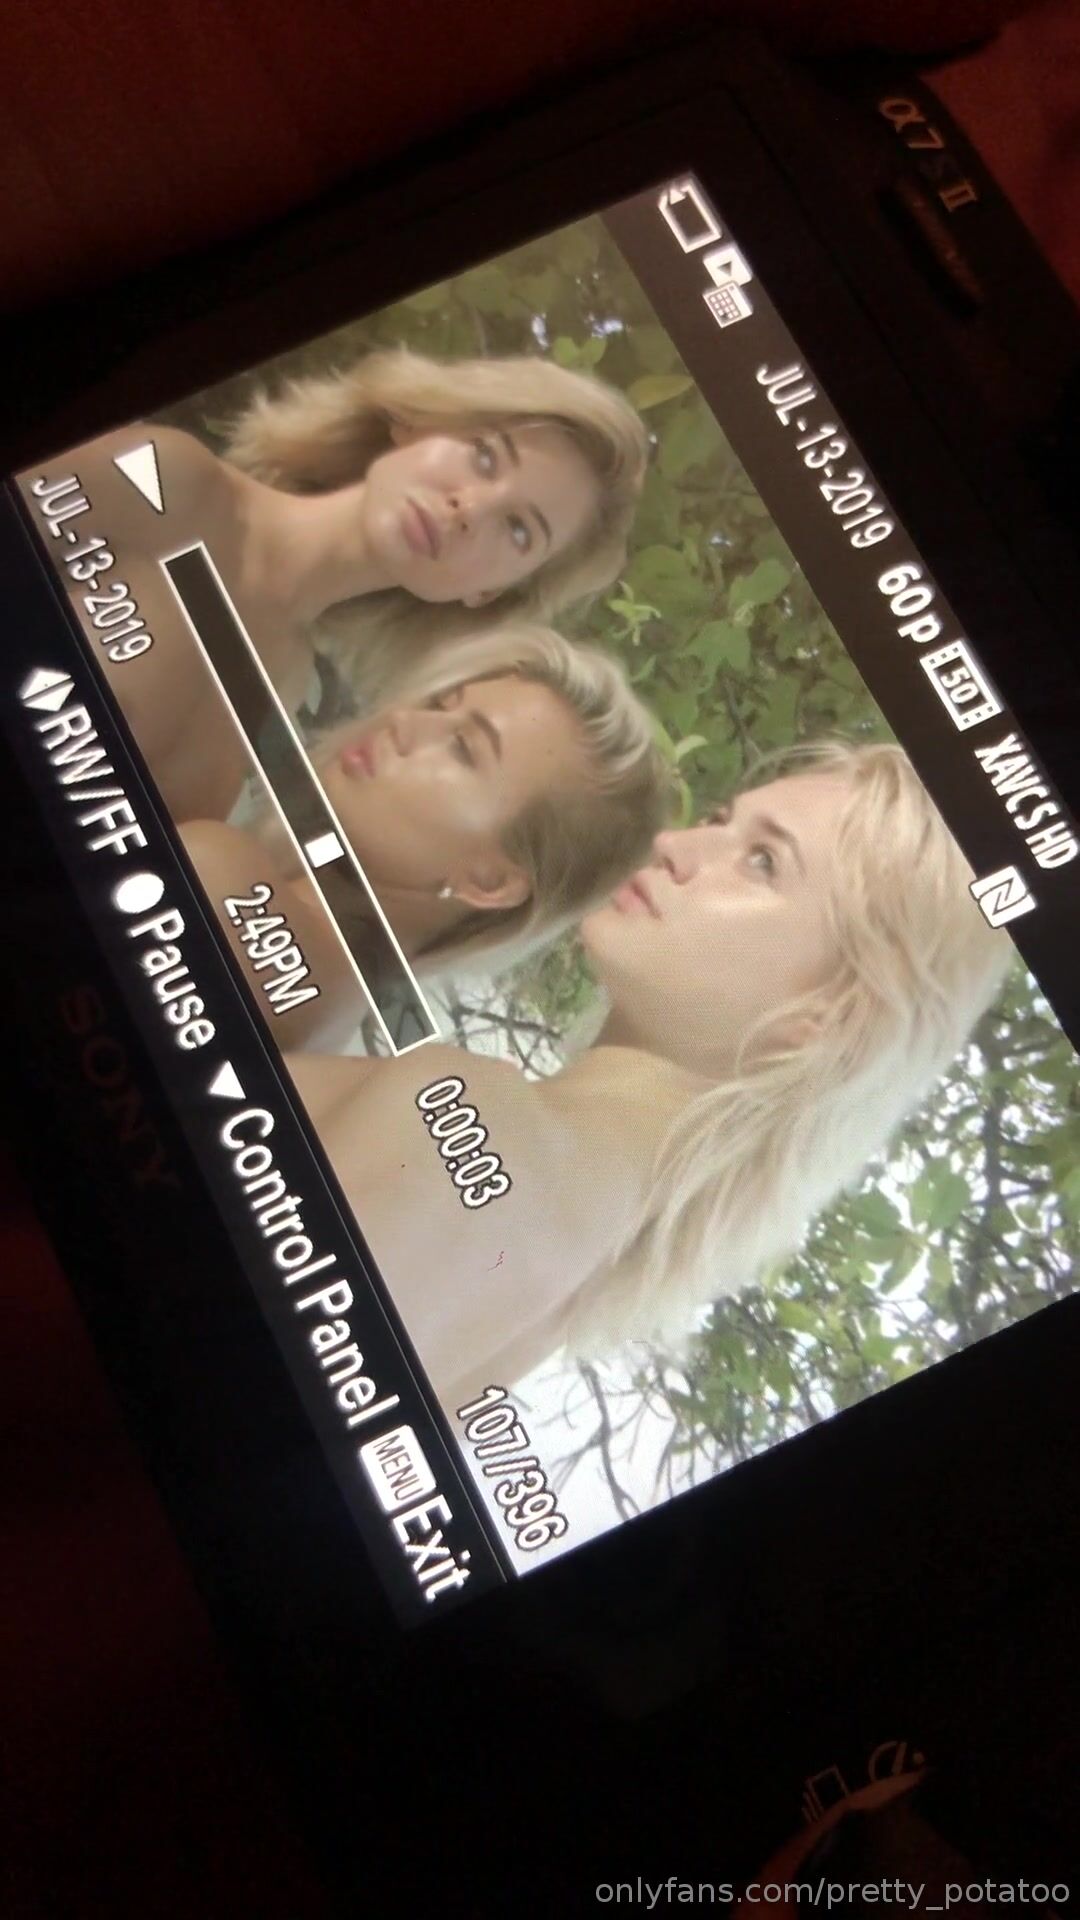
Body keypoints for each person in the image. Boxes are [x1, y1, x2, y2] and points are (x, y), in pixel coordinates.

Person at [284, 741, 1011, 1407]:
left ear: (828, 1018)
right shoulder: (572, 1277)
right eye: (721, 820)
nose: (675, 844)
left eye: (763, 861)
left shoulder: (486, 1144)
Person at [38, 348, 647, 821]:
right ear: (418, 422)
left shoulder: (286, 687)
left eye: (517, 530)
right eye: (485, 455)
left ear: (488, 594)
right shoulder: (172, 479)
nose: (470, 507)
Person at [181, 623, 671, 1046]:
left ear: (488, 881)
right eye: (438, 704)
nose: (404, 722)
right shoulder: (333, 1002)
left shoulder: (221, 875)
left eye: (462, 747)